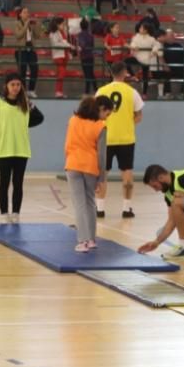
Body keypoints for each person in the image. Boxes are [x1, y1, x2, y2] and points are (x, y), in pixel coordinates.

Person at [0, 72, 44, 223]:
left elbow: (40, 118)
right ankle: (3, 214)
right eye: (12, 84)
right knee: (4, 182)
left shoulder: (26, 102)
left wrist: (24, 125)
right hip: (3, 149)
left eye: (18, 85)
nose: (15, 88)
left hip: (22, 149)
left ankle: (16, 214)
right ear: (6, 86)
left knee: (18, 183)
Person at [94, 61, 144, 219]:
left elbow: (95, 115)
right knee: (127, 174)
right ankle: (126, 208)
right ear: (124, 73)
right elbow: (139, 116)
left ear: (110, 73)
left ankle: (100, 209)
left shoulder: (101, 91)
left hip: (106, 138)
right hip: (126, 139)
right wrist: (128, 124)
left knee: (102, 174)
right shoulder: (132, 92)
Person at [64, 95, 113, 253]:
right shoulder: (100, 126)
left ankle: (82, 241)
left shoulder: (73, 120)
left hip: (73, 164)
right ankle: (91, 239)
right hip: (91, 167)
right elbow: (102, 155)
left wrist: (69, 159)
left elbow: (67, 145)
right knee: (90, 202)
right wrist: (102, 178)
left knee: (79, 204)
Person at [14, 7, 41, 98]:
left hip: (31, 49)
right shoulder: (17, 23)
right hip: (21, 50)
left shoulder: (30, 24)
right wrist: (26, 24)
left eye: (28, 12)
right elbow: (19, 35)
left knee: (35, 69)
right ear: (20, 14)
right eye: (25, 12)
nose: (27, 14)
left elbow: (37, 36)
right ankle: (23, 91)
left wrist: (37, 25)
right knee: (22, 71)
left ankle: (31, 90)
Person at [49, 17, 76, 99]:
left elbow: (64, 42)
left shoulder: (61, 32)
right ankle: (58, 92)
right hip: (58, 55)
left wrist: (70, 47)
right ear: (57, 24)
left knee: (62, 74)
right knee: (61, 73)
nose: (63, 25)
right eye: (62, 24)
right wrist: (69, 46)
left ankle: (59, 92)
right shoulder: (53, 33)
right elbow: (56, 44)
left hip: (64, 55)